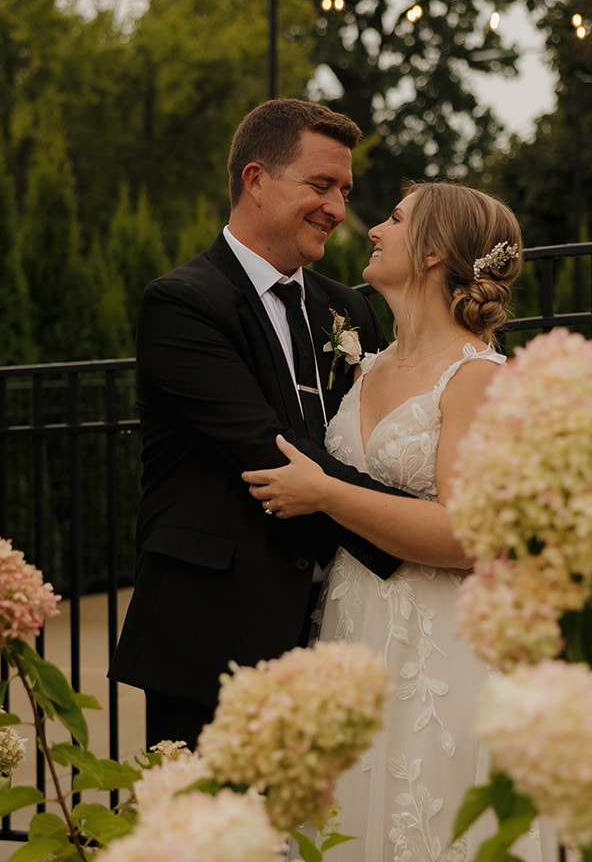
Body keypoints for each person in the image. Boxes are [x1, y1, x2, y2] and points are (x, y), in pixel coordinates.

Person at [242, 182, 592, 862]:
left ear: (429, 253)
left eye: (392, 218)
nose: (373, 227)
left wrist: (325, 493)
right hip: (353, 631)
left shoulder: (478, 379)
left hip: (442, 654)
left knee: (443, 836)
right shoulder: (367, 363)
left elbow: (466, 533)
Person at [111, 98, 409, 751]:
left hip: (335, 629)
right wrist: (422, 532)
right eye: (320, 185)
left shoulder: (348, 312)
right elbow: (269, 452)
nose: (337, 207)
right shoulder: (183, 303)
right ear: (255, 180)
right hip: (212, 635)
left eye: (345, 191)